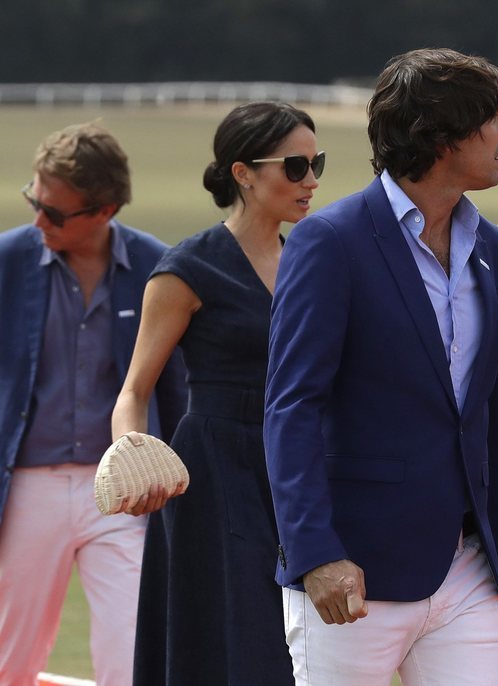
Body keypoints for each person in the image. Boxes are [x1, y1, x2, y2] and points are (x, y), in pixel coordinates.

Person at [264, 48, 498, 685]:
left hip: (467, 570)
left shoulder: (490, 245)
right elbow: (291, 408)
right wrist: (316, 555)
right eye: (492, 118)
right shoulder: (329, 241)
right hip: (353, 572)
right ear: (440, 137)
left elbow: (489, 412)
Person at [111, 101, 322, 685]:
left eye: (316, 164)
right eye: (295, 167)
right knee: (240, 643)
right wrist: (134, 453)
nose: (311, 181)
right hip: (216, 475)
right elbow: (134, 389)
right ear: (243, 173)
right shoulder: (186, 269)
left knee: (308, 648)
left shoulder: (311, 256)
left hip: (300, 467)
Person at [0, 123, 187, 686]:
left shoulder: (160, 267)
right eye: (36, 202)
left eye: (55, 214)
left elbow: (180, 390)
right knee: (10, 654)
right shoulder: (6, 262)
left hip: (125, 491)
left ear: (104, 210)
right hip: (25, 485)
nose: (38, 221)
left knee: (133, 655)